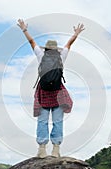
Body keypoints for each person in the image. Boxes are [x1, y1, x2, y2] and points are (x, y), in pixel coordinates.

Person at [17, 19, 85, 158]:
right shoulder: (61, 57)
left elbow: (32, 42)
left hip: (43, 93)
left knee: (42, 121)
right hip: (59, 94)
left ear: (46, 49)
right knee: (58, 121)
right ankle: (56, 149)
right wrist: (76, 34)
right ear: (56, 49)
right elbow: (69, 44)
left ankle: (42, 149)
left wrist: (24, 29)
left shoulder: (41, 56)